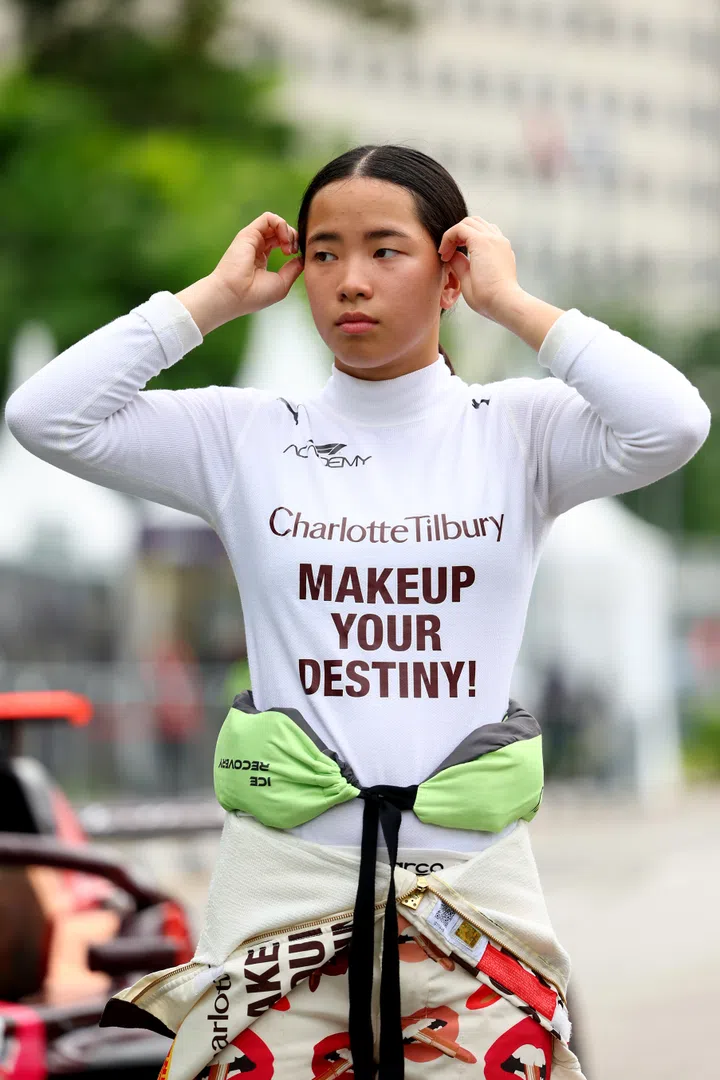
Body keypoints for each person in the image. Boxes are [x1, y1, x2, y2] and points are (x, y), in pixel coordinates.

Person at [4, 144, 710, 1080]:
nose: (350, 281)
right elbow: (46, 416)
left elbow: (675, 423)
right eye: (326, 252)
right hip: (280, 901)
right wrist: (210, 301)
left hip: (472, 898)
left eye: (387, 250)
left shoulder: (519, 428)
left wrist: (515, 306)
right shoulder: (245, 433)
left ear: (450, 268)